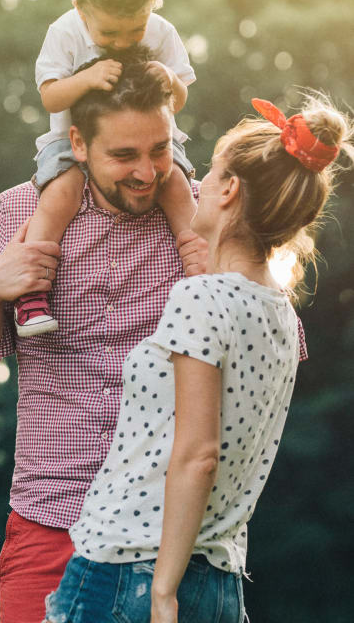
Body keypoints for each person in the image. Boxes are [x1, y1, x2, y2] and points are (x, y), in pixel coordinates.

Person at [43, 93, 352, 623]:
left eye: (208, 172)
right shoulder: (281, 316)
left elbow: (198, 455)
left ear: (230, 190)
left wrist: (163, 592)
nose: (196, 184)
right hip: (222, 584)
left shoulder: (202, 298)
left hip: (129, 574)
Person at [0, 58, 209, 623]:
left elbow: (273, 352)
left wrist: (222, 273)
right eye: (124, 155)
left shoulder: (203, 215)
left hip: (168, 530)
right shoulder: (23, 209)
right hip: (52, 518)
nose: (146, 172)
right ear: (78, 144)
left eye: (159, 149)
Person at [13, 0, 197, 337]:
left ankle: (202, 273)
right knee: (59, 197)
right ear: (81, 10)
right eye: (109, 34)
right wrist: (89, 78)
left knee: (179, 190)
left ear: (153, 4)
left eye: (134, 31)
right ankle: (31, 295)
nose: (121, 43)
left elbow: (179, 99)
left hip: (151, 138)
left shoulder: (162, 32)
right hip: (69, 142)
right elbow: (50, 97)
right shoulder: (65, 33)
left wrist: (168, 78)